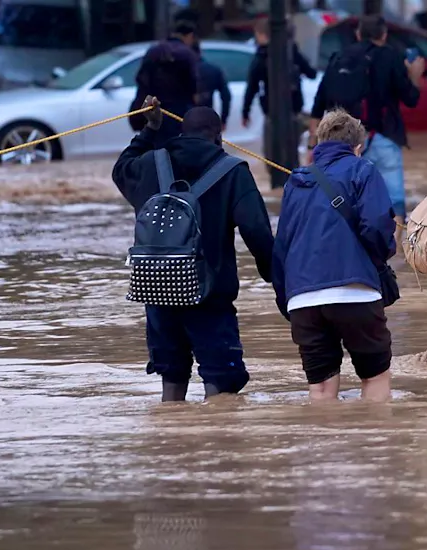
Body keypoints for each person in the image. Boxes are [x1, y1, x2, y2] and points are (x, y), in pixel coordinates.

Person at [112, 97, 275, 401]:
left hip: (158, 291)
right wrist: (274, 277)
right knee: (221, 383)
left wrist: (149, 130)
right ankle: (212, 443)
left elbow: (120, 169)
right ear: (219, 136)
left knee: (172, 378)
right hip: (210, 295)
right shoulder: (232, 171)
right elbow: (256, 231)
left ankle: (172, 441)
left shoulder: (150, 163)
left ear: (182, 132)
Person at [272, 109, 396, 403]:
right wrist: (378, 261)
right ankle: (378, 446)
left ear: (318, 143)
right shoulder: (363, 170)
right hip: (355, 294)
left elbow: (282, 246)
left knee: (321, 389)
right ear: (357, 147)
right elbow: (377, 228)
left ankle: (325, 445)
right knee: (375, 378)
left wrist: (287, 299)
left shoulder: (295, 181)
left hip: (303, 300)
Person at [310, 15, 424, 231]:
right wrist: (414, 77)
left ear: (358, 34)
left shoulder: (339, 57)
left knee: (346, 195)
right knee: (393, 198)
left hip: (344, 140)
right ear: (384, 34)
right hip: (382, 135)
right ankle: (395, 250)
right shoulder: (390, 56)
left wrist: (313, 143)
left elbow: (319, 103)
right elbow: (411, 99)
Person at [241, 17, 317, 180]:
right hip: (293, 110)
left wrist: (245, 111)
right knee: (292, 151)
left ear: (263, 35)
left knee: (273, 153)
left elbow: (252, 86)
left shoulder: (262, 56)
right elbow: (311, 73)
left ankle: (280, 180)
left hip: (273, 113)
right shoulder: (291, 52)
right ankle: (294, 179)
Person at [127, 18, 200, 146]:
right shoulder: (187, 54)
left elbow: (141, 80)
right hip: (178, 112)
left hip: (153, 110)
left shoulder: (153, 51)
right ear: (189, 36)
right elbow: (193, 85)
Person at [193, 40, 231, 130]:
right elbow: (226, 97)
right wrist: (223, 119)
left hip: (182, 119)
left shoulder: (177, 72)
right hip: (207, 119)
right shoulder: (213, 70)